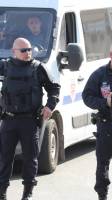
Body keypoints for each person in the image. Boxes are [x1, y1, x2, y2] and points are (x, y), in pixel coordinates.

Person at [0, 37, 60, 200]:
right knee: (4, 157)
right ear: (14, 52)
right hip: (9, 120)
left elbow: (54, 88)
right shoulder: (5, 66)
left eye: (29, 50)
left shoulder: (38, 68)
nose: (28, 53)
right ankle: (2, 192)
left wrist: (49, 106)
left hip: (29, 121)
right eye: (24, 50)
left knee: (30, 157)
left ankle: (28, 193)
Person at [82, 41, 112, 200]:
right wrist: (105, 103)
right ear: (111, 55)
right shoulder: (99, 74)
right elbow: (87, 97)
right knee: (103, 162)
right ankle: (102, 195)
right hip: (105, 123)